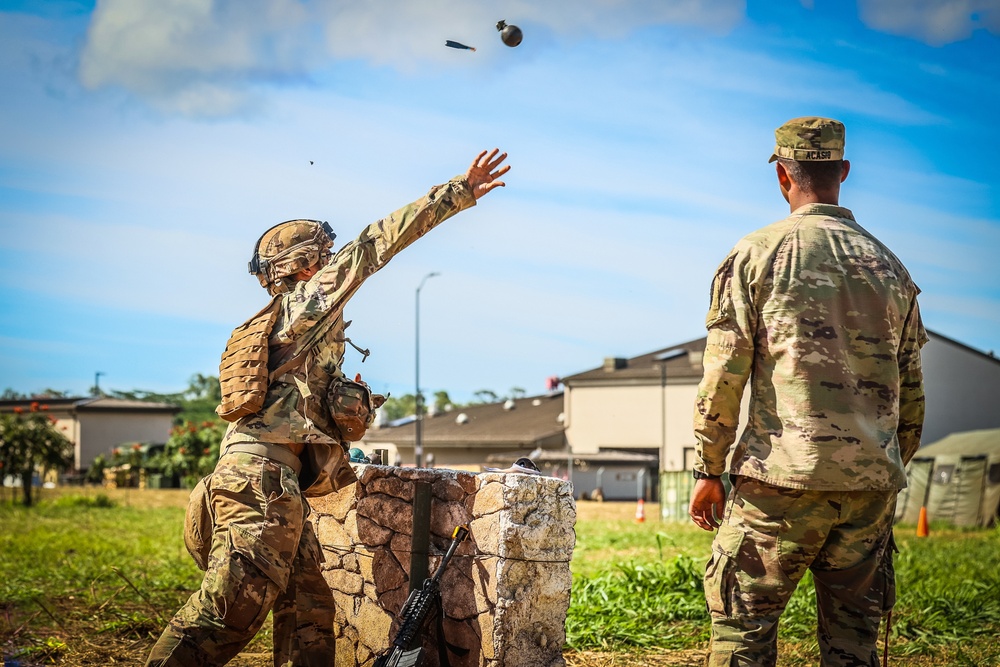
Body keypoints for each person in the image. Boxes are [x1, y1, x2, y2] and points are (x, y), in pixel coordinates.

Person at [146, 148, 510, 667]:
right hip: (260, 483)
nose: (333, 260)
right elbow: (373, 246)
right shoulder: (303, 304)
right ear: (303, 266)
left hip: (276, 483)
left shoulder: (293, 325)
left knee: (311, 619)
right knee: (227, 615)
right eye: (324, 253)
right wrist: (458, 192)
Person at [688, 117, 926, 667]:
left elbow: (723, 376)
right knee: (853, 646)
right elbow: (911, 390)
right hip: (869, 490)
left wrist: (708, 468)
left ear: (781, 176)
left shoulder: (755, 254)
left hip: (779, 484)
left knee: (743, 634)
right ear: (843, 172)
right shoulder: (891, 268)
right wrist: (881, 466)